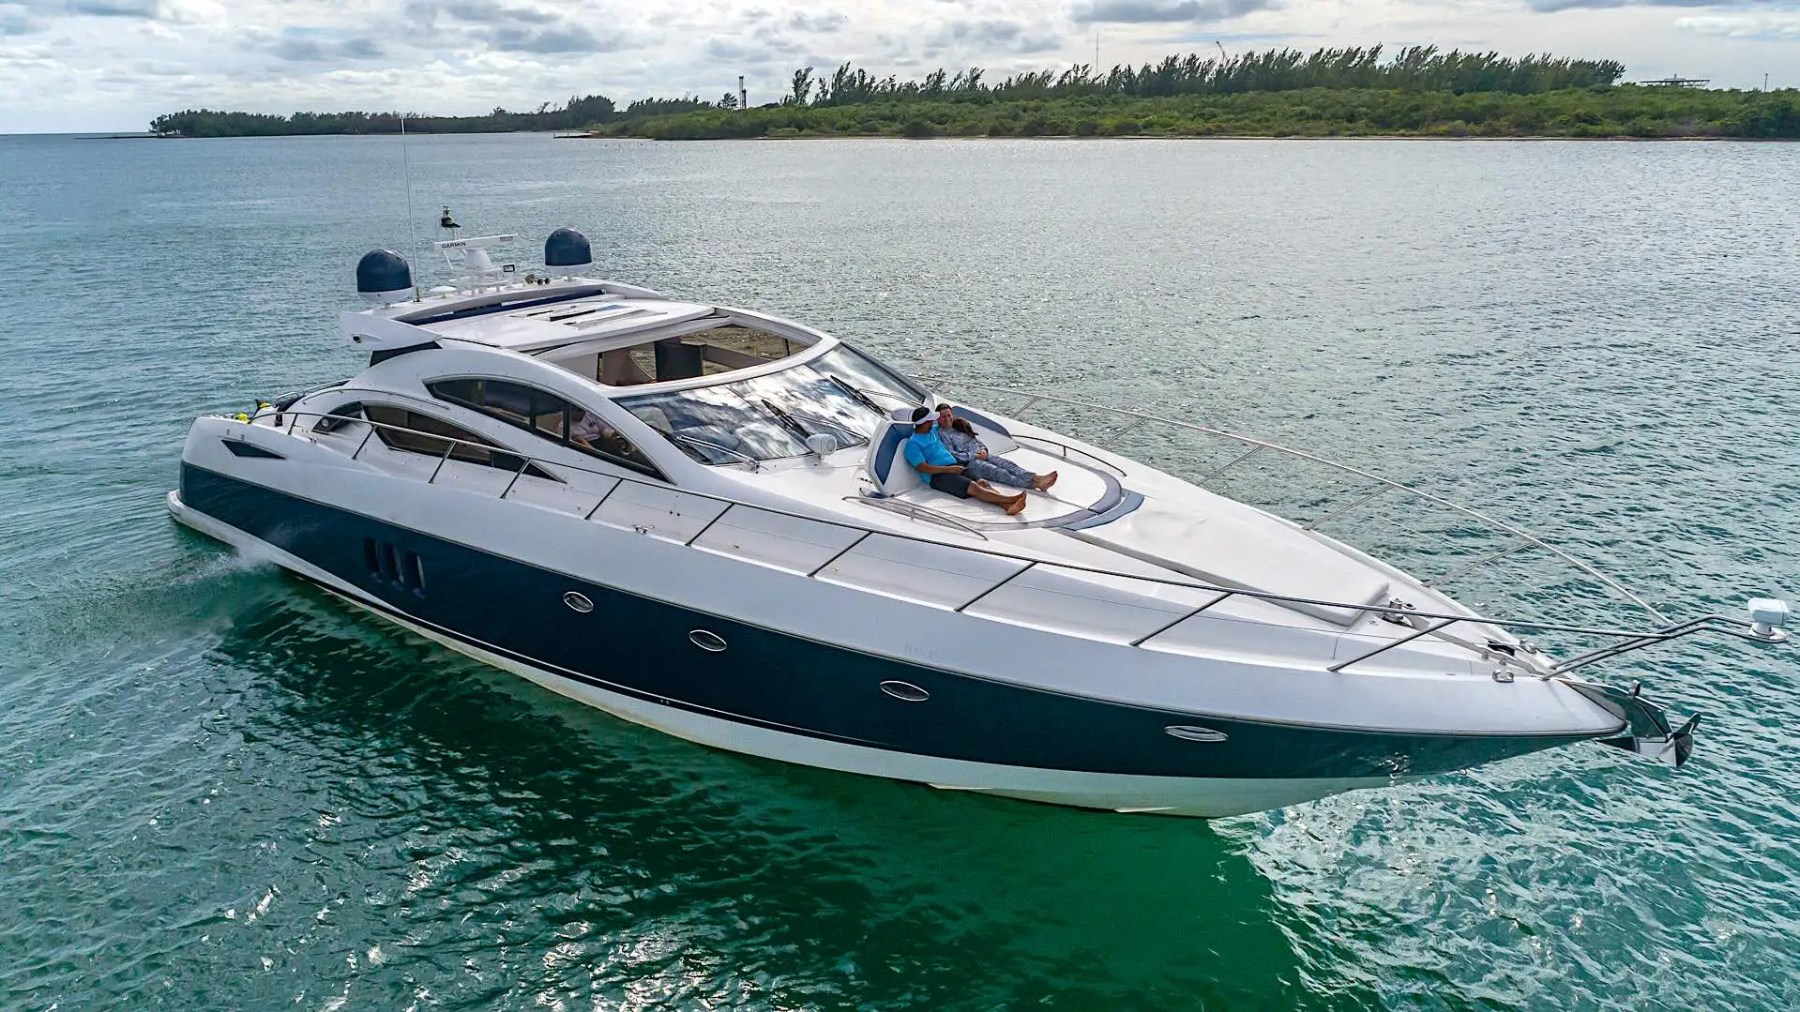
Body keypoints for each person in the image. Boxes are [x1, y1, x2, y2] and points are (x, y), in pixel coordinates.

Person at [902, 406, 1027, 516]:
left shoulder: (932, 430)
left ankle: (1008, 507)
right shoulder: (913, 444)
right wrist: (949, 469)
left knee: (982, 482)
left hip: (954, 466)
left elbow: (947, 423)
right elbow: (923, 468)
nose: (934, 421)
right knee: (974, 487)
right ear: (925, 423)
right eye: (931, 420)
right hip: (938, 476)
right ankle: (1010, 499)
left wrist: (961, 422)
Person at [934, 404, 1058, 492]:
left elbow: (975, 441)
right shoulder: (941, 434)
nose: (947, 419)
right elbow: (952, 454)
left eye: (949, 415)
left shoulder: (959, 426)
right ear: (938, 418)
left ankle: (1036, 478)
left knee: (1007, 464)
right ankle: (1033, 485)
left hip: (981, 454)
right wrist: (975, 456)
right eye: (943, 417)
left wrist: (983, 450)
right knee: (1000, 472)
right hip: (970, 463)